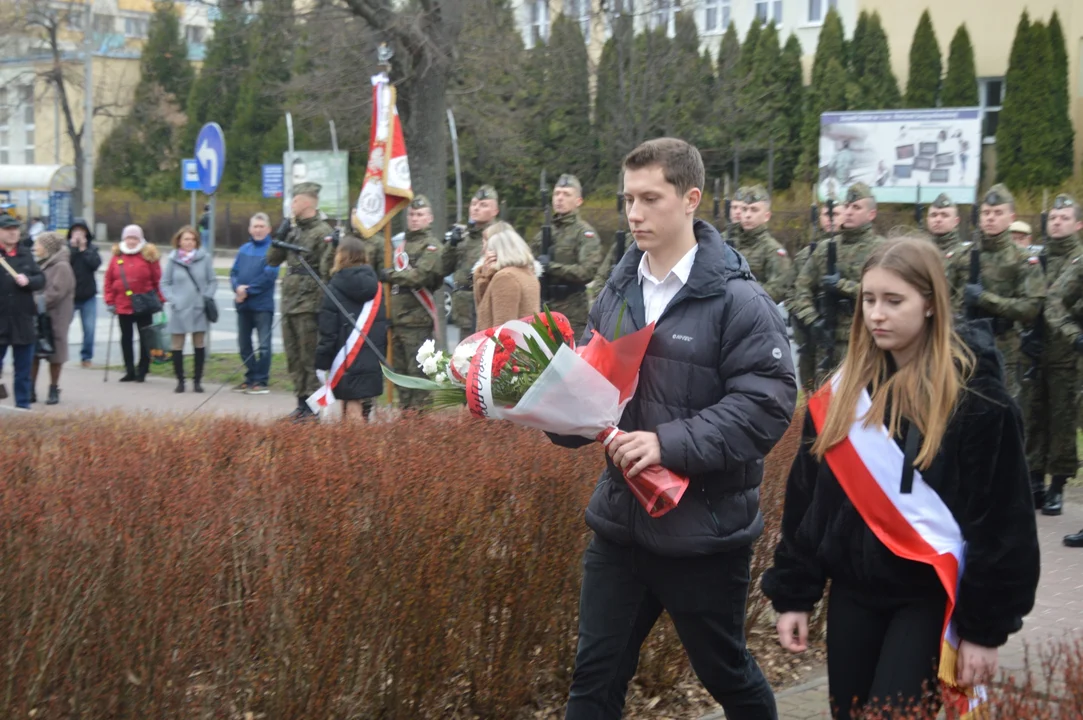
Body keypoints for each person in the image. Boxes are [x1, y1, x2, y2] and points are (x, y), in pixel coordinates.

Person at [548, 138, 796, 720]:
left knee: (725, 674)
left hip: (702, 534)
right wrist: (547, 408)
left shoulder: (740, 300)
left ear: (691, 199)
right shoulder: (618, 287)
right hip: (621, 525)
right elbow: (595, 387)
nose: (634, 213)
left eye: (649, 198)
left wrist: (667, 443)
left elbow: (767, 405)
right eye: (628, 198)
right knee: (593, 680)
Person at [763, 236, 1040, 720]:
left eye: (894, 301)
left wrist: (983, 629)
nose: (876, 314)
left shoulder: (980, 401)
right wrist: (794, 594)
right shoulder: (842, 393)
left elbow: (1003, 526)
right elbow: (808, 503)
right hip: (852, 593)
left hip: (927, 598)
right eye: (868, 300)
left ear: (930, 304)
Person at [945, 184, 1044, 400]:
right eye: (986, 213)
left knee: (1001, 410)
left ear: (1011, 217)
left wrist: (985, 299)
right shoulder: (962, 256)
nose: (990, 218)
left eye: (998, 213)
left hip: (1003, 347)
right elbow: (941, 298)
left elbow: (1031, 308)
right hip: (962, 346)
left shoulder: (1023, 260)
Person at [791, 183, 886, 382]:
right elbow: (800, 288)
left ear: (871, 214)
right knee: (823, 403)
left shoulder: (882, 250)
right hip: (827, 339)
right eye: (847, 206)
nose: (849, 212)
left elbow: (884, 292)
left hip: (865, 339)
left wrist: (842, 285)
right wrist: (814, 321)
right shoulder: (825, 249)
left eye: (856, 207)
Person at [266, 182, 335, 421]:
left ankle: (314, 407)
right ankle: (300, 404)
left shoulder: (322, 231)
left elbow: (327, 270)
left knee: (309, 359)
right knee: (293, 357)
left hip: (310, 304)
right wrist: (281, 232)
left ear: (306, 202)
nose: (291, 205)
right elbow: (272, 260)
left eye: (295, 201)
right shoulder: (293, 231)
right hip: (290, 303)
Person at [1037, 194, 1083, 521]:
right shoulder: (1036, 258)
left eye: (1064, 218)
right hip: (1034, 351)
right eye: (1054, 217)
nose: (1057, 222)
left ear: (1078, 224)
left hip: (1067, 354)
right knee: (1032, 417)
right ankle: (1034, 480)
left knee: (1063, 420)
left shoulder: (1078, 260)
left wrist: (1072, 333)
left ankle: (1058, 484)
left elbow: (1058, 304)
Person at [378, 195, 445, 410]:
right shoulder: (400, 246)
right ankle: (404, 418)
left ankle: (420, 425)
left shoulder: (432, 246)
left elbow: (419, 276)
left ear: (430, 218)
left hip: (417, 322)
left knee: (418, 377)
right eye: (412, 214)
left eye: (420, 214)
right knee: (400, 376)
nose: (415, 219)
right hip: (397, 321)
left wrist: (390, 274)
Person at [315, 235, 388, 422]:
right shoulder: (377, 285)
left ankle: (358, 451)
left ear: (341, 256)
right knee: (362, 409)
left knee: (350, 411)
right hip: (371, 356)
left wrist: (321, 361)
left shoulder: (335, 285)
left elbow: (328, 329)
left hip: (346, 357)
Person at [531, 174, 603, 338]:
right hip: (544, 307)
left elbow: (587, 271)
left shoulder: (584, 233)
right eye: (557, 194)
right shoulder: (544, 233)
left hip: (572, 312)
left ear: (578, 201)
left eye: (566, 194)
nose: (560, 198)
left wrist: (551, 267)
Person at [790, 202, 840, 393]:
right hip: (813, 331)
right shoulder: (808, 254)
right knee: (812, 390)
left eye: (836, 213)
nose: (831, 219)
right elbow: (793, 289)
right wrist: (810, 319)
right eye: (827, 214)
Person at [103, 225, 163, 382]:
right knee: (126, 338)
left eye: (135, 238)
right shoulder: (117, 257)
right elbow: (109, 280)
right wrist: (110, 301)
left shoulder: (148, 256)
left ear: (140, 239)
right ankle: (129, 370)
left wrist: (160, 300)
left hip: (145, 303)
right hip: (123, 304)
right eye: (129, 238)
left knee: (145, 338)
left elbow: (157, 280)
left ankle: (143, 369)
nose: (131, 241)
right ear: (124, 239)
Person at [161, 225, 217, 394]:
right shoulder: (172, 260)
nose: (189, 242)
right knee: (177, 345)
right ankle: (180, 381)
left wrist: (206, 296)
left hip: (198, 308)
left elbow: (212, 281)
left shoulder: (204, 258)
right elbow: (164, 283)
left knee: (199, 344)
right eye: (186, 239)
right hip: (179, 309)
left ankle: (197, 381)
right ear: (179, 241)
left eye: (192, 239)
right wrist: (172, 299)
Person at [230, 213, 278, 394]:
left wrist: (247, 291)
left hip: (262, 306)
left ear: (268, 229)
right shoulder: (244, 249)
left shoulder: (272, 250)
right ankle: (251, 377)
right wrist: (237, 288)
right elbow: (233, 273)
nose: (258, 230)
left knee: (264, 346)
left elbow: (269, 276)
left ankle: (261, 381)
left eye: (261, 226)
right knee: (244, 344)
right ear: (250, 229)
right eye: (255, 226)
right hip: (243, 305)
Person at [0, 214, 45, 409]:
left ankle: (23, 408)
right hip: (1, 319)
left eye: (15, 229)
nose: (12, 233)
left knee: (23, 371)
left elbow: (41, 279)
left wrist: (29, 281)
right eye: (8, 229)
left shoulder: (26, 254)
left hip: (23, 320)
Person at [444, 185, 499, 335]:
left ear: (495, 211)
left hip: (485, 311)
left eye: (483, 205)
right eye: (474, 204)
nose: (476, 208)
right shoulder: (465, 237)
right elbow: (443, 269)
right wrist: (451, 245)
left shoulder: (499, 237)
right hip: (463, 314)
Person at [30, 232, 75, 405]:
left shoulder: (61, 266)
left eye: (38, 244)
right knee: (34, 352)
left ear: (48, 247)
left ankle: (53, 388)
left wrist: (33, 301)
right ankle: (30, 389)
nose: (35, 248)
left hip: (56, 317)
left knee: (55, 354)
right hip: (39, 315)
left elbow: (56, 293)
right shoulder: (41, 264)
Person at [473, 222, 541, 331]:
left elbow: (503, 329)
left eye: (487, 246)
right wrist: (485, 275)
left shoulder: (505, 278)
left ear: (496, 252)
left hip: (507, 345)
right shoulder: (527, 274)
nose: (483, 251)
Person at [737, 185, 794, 304]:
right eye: (744, 209)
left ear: (766, 216)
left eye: (754, 210)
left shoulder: (773, 249)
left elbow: (779, 290)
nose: (747, 215)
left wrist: (743, 289)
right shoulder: (727, 243)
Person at [68, 218, 102, 367]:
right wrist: (74, 249)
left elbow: (95, 264)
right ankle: (57, 355)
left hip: (88, 296)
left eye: (81, 231)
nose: (78, 235)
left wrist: (83, 249)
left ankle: (86, 357)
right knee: (60, 327)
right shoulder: (66, 249)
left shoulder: (92, 249)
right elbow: (66, 263)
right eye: (75, 231)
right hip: (69, 295)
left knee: (89, 328)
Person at [926, 193, 963, 259]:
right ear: (927, 220)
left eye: (944, 215)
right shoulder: (918, 252)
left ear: (956, 221)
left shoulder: (964, 254)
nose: (938, 220)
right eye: (934, 215)